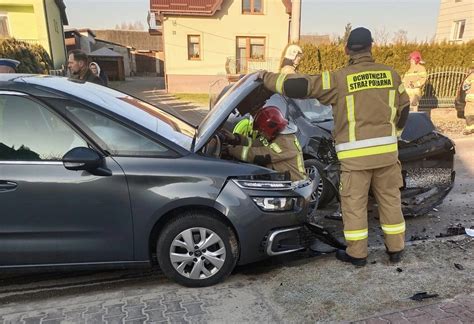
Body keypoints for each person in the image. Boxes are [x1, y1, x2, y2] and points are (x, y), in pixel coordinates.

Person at [259, 27, 411, 266]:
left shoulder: (339, 79)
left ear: (347, 49)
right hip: (387, 157)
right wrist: (395, 136)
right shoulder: (391, 75)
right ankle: (396, 249)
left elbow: (300, 86)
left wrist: (266, 77)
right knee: (391, 202)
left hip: (356, 160)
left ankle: (358, 254)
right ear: (372, 46)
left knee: (354, 206)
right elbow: (404, 109)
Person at [221, 106, 307, 182]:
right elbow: (254, 143)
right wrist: (235, 138)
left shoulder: (285, 142)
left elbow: (259, 155)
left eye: (261, 131)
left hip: (294, 185)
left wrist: (230, 150)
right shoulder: (274, 136)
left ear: (269, 129)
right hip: (283, 181)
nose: (261, 134)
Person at [455, 60, 474, 135]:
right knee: (469, 113)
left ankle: (470, 128)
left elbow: (465, 86)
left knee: (469, 113)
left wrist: (467, 89)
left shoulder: (471, 76)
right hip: (470, 99)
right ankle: (470, 128)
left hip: (470, 98)